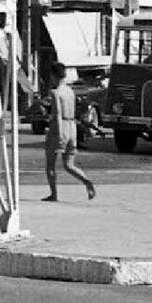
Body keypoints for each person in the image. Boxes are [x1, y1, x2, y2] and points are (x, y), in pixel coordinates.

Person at [43, 61, 96, 202]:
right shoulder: (70, 91)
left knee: (50, 164)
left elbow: (58, 115)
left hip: (59, 128)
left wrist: (59, 134)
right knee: (69, 164)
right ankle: (87, 181)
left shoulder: (56, 93)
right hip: (72, 126)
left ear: (53, 75)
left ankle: (54, 194)